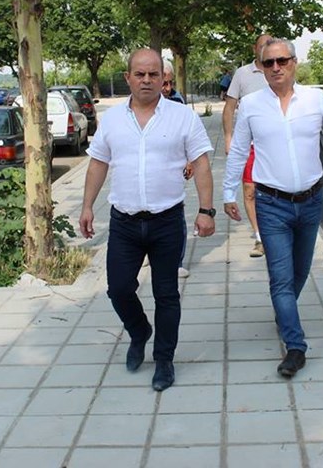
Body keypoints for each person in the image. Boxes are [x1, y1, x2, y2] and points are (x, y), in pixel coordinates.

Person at [222, 38, 323, 378]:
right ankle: (295, 345)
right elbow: (239, 151)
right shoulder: (251, 105)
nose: (276, 67)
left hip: (310, 202)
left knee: (299, 272)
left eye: (282, 61)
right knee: (280, 277)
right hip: (271, 204)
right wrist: (229, 193)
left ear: (294, 63)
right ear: (261, 68)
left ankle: (284, 311)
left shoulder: (316, 99)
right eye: (269, 63)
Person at [79, 48, 216, 391]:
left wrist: (206, 210)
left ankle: (164, 360)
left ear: (163, 79)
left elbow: (201, 163)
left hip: (166, 221)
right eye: (139, 74)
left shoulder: (182, 117)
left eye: (154, 74)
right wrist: (86, 206)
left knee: (166, 294)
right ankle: (139, 330)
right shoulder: (111, 119)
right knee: (119, 289)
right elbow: (98, 163)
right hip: (124, 223)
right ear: (128, 77)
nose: (146, 80)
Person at [222, 33, 272, 258]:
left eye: (269, 45)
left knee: (272, 190)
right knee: (249, 189)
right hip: (248, 144)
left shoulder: (278, 70)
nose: (265, 49)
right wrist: (228, 137)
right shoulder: (242, 74)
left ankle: (275, 231)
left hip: (272, 144)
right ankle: (260, 237)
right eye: (262, 46)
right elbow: (229, 108)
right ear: (254, 48)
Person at [161, 63, 193, 278]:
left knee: (176, 213)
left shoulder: (177, 100)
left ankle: (177, 262)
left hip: (173, 167)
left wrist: (190, 160)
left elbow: (187, 133)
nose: (168, 88)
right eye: (164, 83)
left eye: (170, 82)